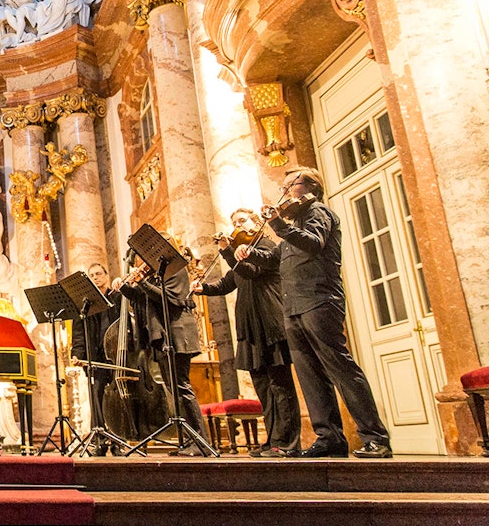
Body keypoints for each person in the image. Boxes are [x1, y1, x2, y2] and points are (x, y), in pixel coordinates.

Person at [239, 167, 392, 458]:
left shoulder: (318, 212)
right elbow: (273, 260)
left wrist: (279, 225)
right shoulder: (293, 224)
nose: (283, 191)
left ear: (311, 186)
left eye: (290, 185)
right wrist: (245, 252)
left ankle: (375, 437)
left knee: (341, 369)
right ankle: (329, 437)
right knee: (310, 375)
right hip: (293, 306)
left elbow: (314, 243)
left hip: (320, 300)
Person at [193, 209, 301, 456]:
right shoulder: (242, 254)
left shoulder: (267, 247)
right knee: (263, 386)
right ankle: (273, 440)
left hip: (270, 324)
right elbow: (227, 283)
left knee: (280, 385)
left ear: (257, 223)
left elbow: (251, 271)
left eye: (241, 221)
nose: (237, 225)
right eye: (233, 223)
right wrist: (203, 289)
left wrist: (228, 252)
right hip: (250, 328)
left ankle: (288, 444)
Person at [116, 245, 212, 455]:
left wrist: (142, 282)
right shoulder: (154, 275)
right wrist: (125, 288)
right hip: (160, 336)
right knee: (173, 388)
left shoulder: (177, 269)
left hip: (176, 332)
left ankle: (200, 441)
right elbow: (144, 299)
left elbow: (168, 299)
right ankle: (189, 439)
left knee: (182, 386)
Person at [70, 263, 120, 453]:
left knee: (117, 399)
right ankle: (98, 440)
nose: (96, 277)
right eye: (92, 275)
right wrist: (77, 354)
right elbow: (78, 332)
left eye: (99, 274)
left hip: (116, 356)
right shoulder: (85, 303)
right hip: (95, 356)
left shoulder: (117, 297)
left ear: (106, 276)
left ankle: (117, 441)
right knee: (96, 396)